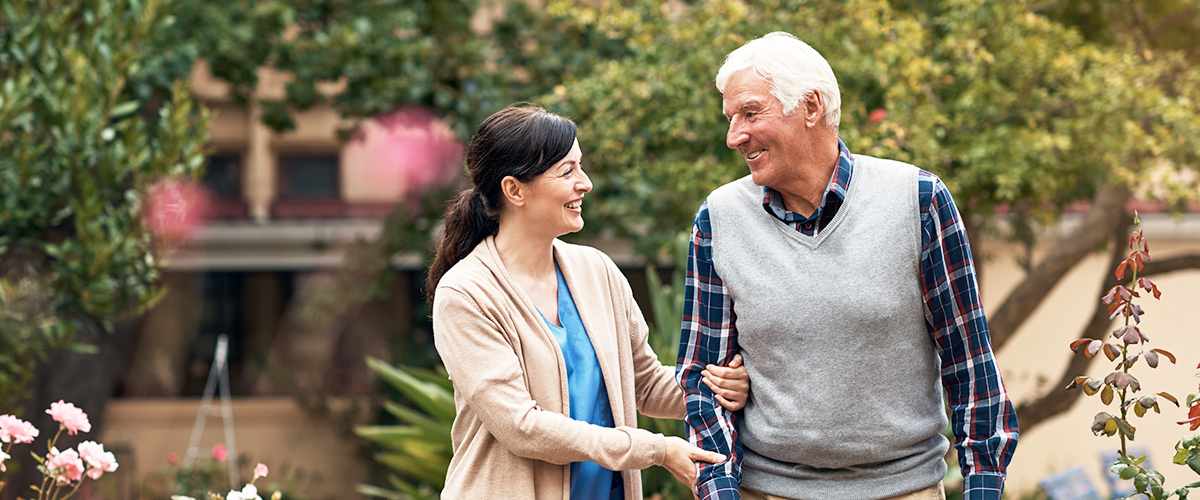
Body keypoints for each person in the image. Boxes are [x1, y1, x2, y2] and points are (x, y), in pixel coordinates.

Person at [676, 32, 1019, 500]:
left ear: (811, 107)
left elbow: (970, 362)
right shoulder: (719, 219)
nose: (734, 136)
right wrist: (719, 491)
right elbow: (703, 376)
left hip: (906, 489)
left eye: (750, 113)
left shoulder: (918, 201)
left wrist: (983, 488)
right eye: (731, 118)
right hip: (765, 490)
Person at [427, 104, 751, 500]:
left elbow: (643, 384)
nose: (586, 183)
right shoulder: (465, 293)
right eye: (567, 171)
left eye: (580, 167)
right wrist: (656, 449)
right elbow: (521, 426)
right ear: (514, 190)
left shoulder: (597, 271)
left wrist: (716, 386)